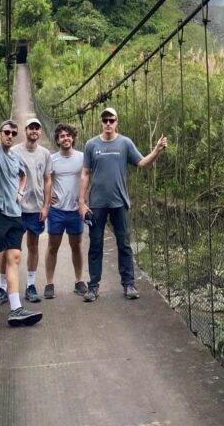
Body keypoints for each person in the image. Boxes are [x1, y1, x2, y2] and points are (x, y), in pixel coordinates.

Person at [78, 106, 167, 302]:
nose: (108, 123)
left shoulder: (125, 143)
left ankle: (129, 284)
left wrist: (157, 150)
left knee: (124, 245)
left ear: (117, 122)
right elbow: (85, 173)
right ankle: (93, 286)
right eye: (105, 120)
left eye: (112, 120)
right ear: (102, 122)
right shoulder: (91, 145)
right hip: (97, 204)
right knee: (95, 244)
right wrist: (82, 202)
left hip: (119, 202)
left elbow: (142, 163)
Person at [0, 110, 42, 331]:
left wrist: (21, 193)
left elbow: (23, 176)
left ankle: (16, 309)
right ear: (0, 134)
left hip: (14, 214)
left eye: (13, 133)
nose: (10, 136)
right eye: (6, 132)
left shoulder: (15, 158)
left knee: (14, 258)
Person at [43, 123, 87, 298]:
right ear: (57, 140)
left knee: (76, 246)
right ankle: (49, 284)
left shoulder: (82, 158)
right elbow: (46, 180)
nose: (66, 138)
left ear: (73, 138)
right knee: (53, 246)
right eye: (62, 136)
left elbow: (87, 177)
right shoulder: (52, 159)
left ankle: (78, 281)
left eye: (68, 135)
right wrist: (46, 199)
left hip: (75, 210)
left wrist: (85, 198)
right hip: (57, 210)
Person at [10, 116, 51, 303]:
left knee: (33, 246)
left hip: (36, 209)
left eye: (37, 128)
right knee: (10, 249)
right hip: (17, 209)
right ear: (25, 131)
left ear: (40, 132)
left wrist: (46, 205)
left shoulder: (45, 154)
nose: (34, 131)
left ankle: (31, 286)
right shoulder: (13, 151)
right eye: (30, 128)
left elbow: (47, 180)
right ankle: (3, 288)